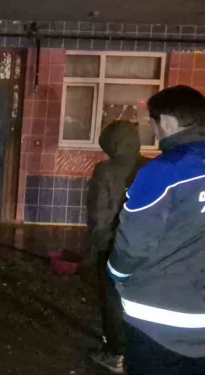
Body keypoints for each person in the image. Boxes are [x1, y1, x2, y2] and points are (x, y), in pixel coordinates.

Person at [107, 85, 205, 374]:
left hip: (159, 320)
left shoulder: (163, 171)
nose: (154, 132)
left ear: (167, 121)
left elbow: (133, 245)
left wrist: (115, 273)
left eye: (153, 124)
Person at [86, 120, 149, 374]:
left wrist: (100, 247)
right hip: (148, 248)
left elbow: (98, 213)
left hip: (115, 247)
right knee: (143, 300)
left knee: (113, 300)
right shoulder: (152, 167)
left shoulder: (105, 171)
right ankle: (140, 350)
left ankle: (116, 353)